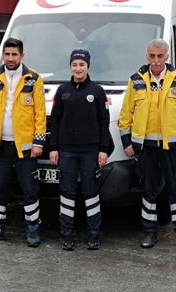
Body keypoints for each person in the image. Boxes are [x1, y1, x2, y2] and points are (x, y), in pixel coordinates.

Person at [118, 39, 176, 249]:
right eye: (152, 56)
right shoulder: (135, 80)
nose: (156, 60)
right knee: (148, 191)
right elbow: (126, 113)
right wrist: (127, 141)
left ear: (167, 56)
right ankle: (150, 232)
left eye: (160, 56)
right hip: (145, 147)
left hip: (172, 147)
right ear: (147, 56)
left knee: (175, 190)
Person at [0, 38, 47, 248]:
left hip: (25, 146)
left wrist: (38, 143)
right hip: (1, 146)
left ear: (22, 56)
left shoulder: (33, 79)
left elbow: (40, 114)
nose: (10, 58)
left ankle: (33, 229)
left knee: (30, 189)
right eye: (7, 54)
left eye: (14, 54)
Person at [48, 49, 113, 251]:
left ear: (88, 67)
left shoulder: (97, 91)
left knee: (90, 192)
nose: (78, 68)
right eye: (74, 65)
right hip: (66, 151)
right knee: (67, 192)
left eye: (82, 65)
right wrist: (54, 148)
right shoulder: (62, 91)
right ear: (70, 67)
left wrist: (103, 149)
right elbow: (55, 122)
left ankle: (94, 234)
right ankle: (67, 234)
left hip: (90, 151)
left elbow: (104, 123)